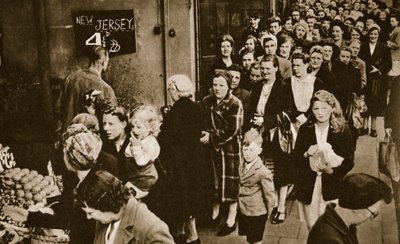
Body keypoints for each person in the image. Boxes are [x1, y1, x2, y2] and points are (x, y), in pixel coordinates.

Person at [293, 90, 354, 229]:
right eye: (316, 108)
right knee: (313, 226)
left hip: (332, 186)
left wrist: (331, 171)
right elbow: (295, 159)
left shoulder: (341, 130)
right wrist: (306, 154)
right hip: (309, 186)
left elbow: (349, 161)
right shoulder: (305, 129)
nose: (320, 113)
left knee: (331, 227)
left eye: (324, 108)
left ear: (332, 108)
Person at [158, 75, 206, 244]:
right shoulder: (197, 107)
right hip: (196, 160)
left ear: (175, 90)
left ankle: (189, 238)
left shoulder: (174, 113)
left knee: (182, 202)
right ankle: (184, 235)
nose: (169, 92)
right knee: (190, 202)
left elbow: (165, 140)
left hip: (179, 164)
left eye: (170, 89)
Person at [245, 55, 293, 224]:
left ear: (275, 69)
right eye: (262, 68)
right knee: (259, 167)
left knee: (280, 169)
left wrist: (266, 121)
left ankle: (280, 207)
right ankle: (263, 203)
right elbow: (251, 109)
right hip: (257, 131)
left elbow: (289, 111)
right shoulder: (257, 86)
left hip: (276, 132)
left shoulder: (283, 87)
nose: (265, 72)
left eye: (268, 68)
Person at [75, 170, 174, 244]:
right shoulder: (104, 220)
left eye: (90, 212)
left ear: (106, 205)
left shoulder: (152, 228)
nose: (88, 217)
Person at [201, 71, 243, 236]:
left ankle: (232, 219)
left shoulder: (235, 103)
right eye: (215, 85)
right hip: (211, 149)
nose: (217, 88)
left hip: (229, 149)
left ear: (229, 86)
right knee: (214, 181)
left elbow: (232, 130)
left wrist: (211, 136)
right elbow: (202, 121)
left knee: (231, 184)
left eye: (221, 85)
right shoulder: (207, 101)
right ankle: (215, 213)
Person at [307, 173, 392, 243]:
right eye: (373, 213)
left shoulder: (342, 222)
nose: (370, 217)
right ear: (356, 208)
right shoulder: (330, 240)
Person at [61, 45, 117, 132]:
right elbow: (112, 121)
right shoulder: (105, 88)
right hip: (90, 140)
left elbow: (58, 108)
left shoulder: (70, 78)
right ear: (103, 62)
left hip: (67, 135)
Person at [238, 129, 278, 244]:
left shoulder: (262, 171)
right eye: (245, 149)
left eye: (251, 150)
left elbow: (270, 195)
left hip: (257, 214)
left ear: (259, 151)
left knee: (256, 240)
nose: (247, 153)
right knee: (250, 239)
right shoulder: (242, 164)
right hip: (244, 210)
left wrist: (267, 213)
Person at [359, 24, 392, 137]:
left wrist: (378, 70)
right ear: (368, 34)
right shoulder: (363, 47)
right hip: (365, 77)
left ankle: (373, 127)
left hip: (377, 79)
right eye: (371, 34)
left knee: (375, 102)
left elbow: (389, 64)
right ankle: (364, 126)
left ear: (378, 35)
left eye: (375, 34)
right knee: (365, 100)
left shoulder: (384, 47)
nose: (373, 36)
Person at [124, 105, 161, 199]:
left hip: (144, 179)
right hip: (134, 176)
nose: (134, 130)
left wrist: (136, 146)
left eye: (139, 127)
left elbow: (141, 162)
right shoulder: (137, 139)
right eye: (132, 126)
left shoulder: (151, 143)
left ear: (150, 128)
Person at [101, 106, 130, 182]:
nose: (105, 128)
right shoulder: (103, 147)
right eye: (104, 124)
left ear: (123, 124)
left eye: (111, 124)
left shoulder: (135, 145)